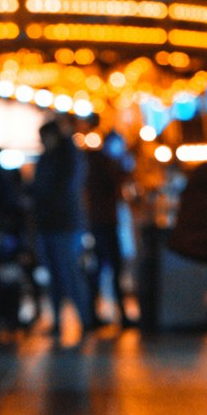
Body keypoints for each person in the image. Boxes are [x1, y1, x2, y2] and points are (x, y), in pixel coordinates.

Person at [31, 119, 92, 338]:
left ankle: (85, 319)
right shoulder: (51, 158)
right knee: (56, 275)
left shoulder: (68, 157)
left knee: (69, 273)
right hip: (52, 223)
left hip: (65, 224)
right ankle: (60, 320)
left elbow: (65, 189)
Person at [85, 130, 133, 326]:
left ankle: (97, 314)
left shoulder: (100, 163)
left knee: (104, 267)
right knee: (109, 266)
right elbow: (114, 183)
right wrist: (124, 166)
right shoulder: (104, 164)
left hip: (101, 221)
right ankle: (110, 314)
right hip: (104, 222)